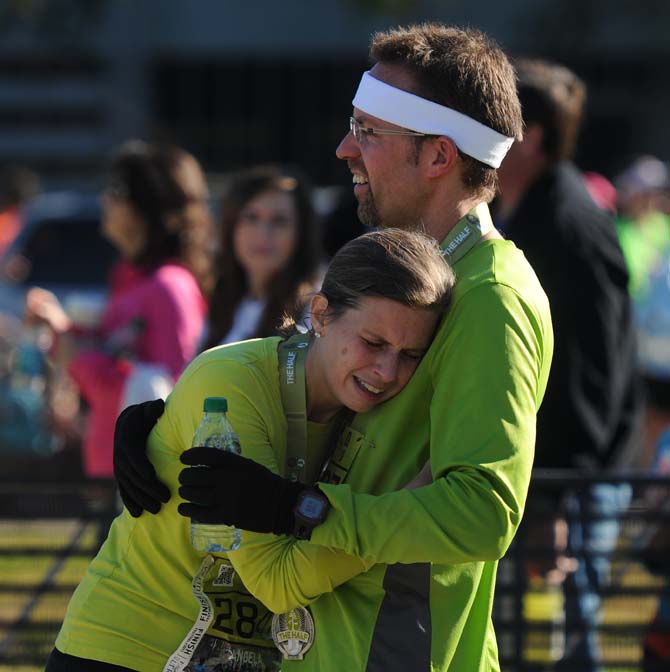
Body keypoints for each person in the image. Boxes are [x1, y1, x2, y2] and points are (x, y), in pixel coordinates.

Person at [114, 24, 553, 671]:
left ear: (437, 156)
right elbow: (319, 383)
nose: (345, 148)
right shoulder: (419, 267)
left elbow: (483, 512)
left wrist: (303, 509)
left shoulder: (493, 295)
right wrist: (168, 421)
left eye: (369, 132)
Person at [46, 227, 456, 671]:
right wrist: (402, 516)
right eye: (373, 343)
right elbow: (276, 582)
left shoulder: (372, 408)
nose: (387, 371)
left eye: (411, 354)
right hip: (124, 650)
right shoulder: (231, 382)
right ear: (320, 315)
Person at [495, 60, 640, 671]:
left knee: (565, 651)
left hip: (568, 482)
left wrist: (557, 495)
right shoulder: (527, 211)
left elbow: (589, 372)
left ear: (532, 134)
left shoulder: (567, 223)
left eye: (494, 120)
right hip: (549, 476)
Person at [25, 140, 211, 478]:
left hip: (149, 480)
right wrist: (63, 332)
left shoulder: (169, 285)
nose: (105, 199)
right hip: (116, 469)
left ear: (148, 205)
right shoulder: (129, 277)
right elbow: (114, 359)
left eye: (117, 189)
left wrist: (76, 353)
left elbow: (175, 393)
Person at [203, 165, 322, 349]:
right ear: (231, 226)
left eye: (279, 221)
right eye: (251, 218)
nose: (263, 234)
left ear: (301, 232)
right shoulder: (221, 299)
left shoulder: (316, 309)